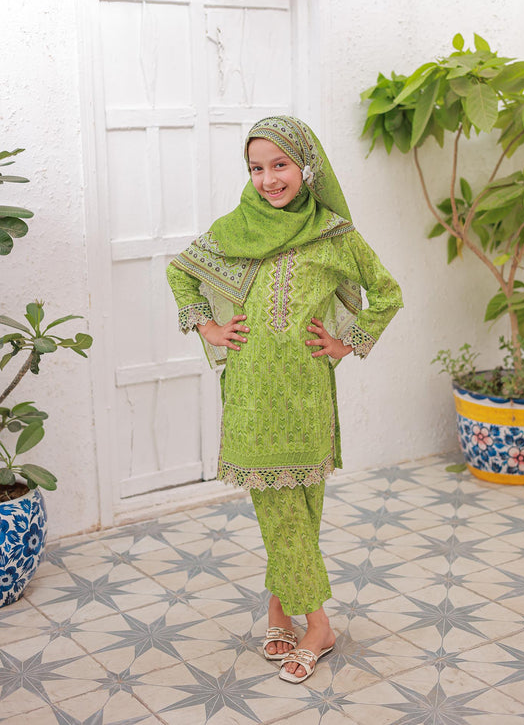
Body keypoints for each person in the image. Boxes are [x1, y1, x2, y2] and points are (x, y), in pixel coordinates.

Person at [167, 115, 403, 683]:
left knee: (304, 510)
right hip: (249, 394)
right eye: (256, 167)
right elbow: (181, 274)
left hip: (306, 392)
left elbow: (387, 292)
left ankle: (278, 609)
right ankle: (318, 624)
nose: (269, 180)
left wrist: (348, 343)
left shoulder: (333, 235)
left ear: (306, 166)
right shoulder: (233, 229)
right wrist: (208, 327)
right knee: (280, 509)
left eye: (280, 165)